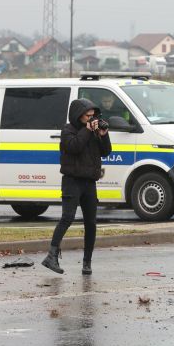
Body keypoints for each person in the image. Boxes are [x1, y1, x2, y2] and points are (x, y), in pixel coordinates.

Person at [42, 98, 112, 275]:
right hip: (72, 181)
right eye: (87, 115)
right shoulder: (68, 130)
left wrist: (104, 135)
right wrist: (88, 130)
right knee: (67, 217)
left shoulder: (94, 130)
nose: (91, 118)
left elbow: (106, 151)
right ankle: (51, 256)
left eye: (92, 115)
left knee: (91, 223)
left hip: (89, 183)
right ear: (78, 115)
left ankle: (87, 262)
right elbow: (74, 147)